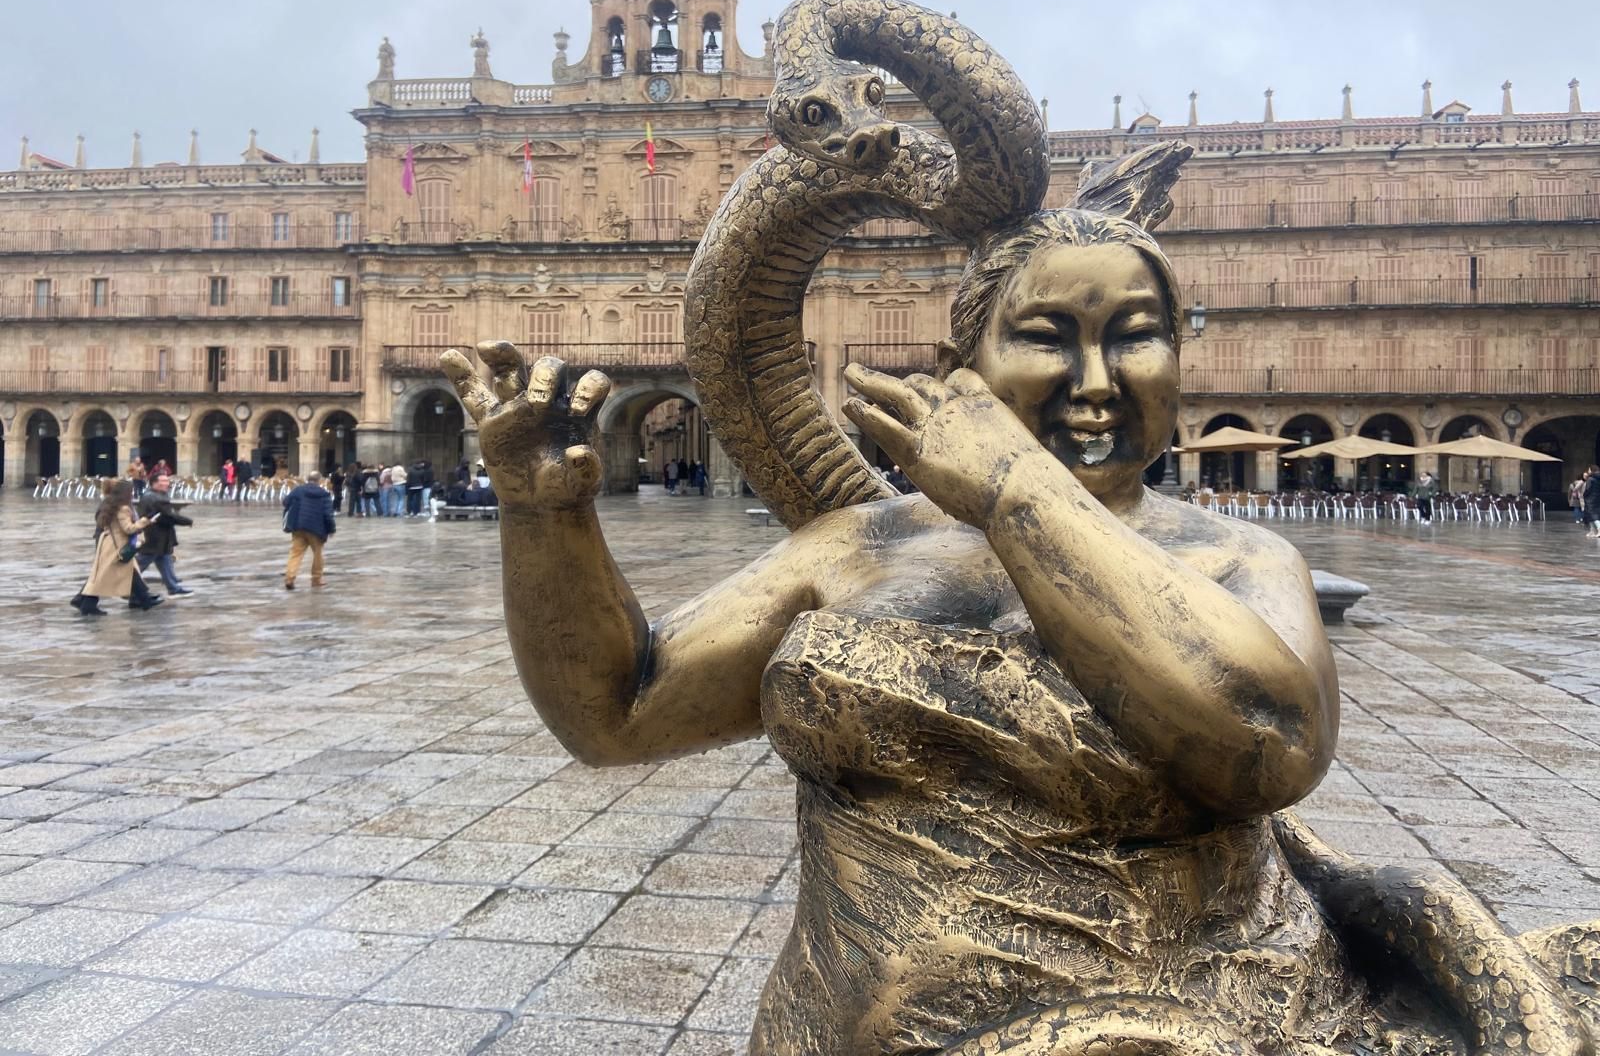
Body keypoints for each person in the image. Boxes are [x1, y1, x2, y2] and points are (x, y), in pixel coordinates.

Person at [445, 199, 1600, 1053]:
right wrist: (546, 519)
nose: (1095, 376)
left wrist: (1017, 494)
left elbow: (1265, 736)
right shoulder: (863, 547)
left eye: (1134, 333)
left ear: (1179, 357)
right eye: (1047, 334)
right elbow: (618, 710)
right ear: (969, 363)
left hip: (1165, 1027)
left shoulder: (1235, 558)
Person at [71, 480, 160, 615]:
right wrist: (146, 521)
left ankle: (143, 599)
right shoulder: (122, 508)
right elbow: (128, 529)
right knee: (106, 575)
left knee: (122, 573)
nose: (133, 493)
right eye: (131, 491)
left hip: (108, 543)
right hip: (117, 545)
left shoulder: (109, 504)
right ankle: (144, 600)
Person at [136, 470, 194, 595]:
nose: (167, 483)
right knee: (140, 563)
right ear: (154, 483)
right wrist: (186, 521)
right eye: (163, 481)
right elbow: (167, 516)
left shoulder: (152, 495)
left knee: (165, 560)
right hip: (155, 536)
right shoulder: (156, 498)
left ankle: (173, 588)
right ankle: (124, 582)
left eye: (167, 480)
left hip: (159, 536)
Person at [281, 471, 336, 590]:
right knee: (318, 554)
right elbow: (328, 514)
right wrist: (331, 529)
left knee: (295, 553)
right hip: (316, 529)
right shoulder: (324, 494)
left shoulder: (298, 490)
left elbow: (285, 502)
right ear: (319, 480)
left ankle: (289, 578)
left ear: (307, 479)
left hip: (298, 526)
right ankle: (316, 579)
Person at [1584, 465, 1600, 539]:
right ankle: (1593, 531)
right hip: (1598, 498)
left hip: (1590, 499)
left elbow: (1588, 489)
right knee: (1594, 514)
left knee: (1592, 514)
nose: (1588, 471)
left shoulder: (1590, 479)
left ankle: (1598, 530)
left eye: (1589, 470)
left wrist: (1585, 495)